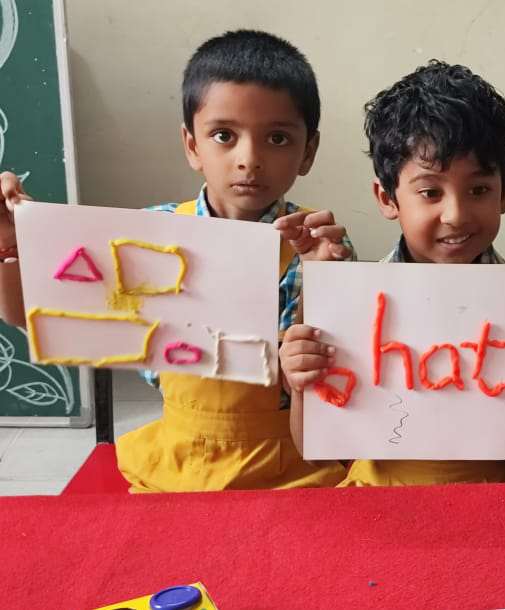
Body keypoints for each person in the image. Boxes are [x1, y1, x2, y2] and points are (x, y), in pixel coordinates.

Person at [1, 29, 353, 491]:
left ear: (308, 151)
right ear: (192, 145)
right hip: (176, 460)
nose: (249, 159)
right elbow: (27, 315)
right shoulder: (150, 235)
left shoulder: (321, 244)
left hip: (288, 466)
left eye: (277, 138)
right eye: (224, 135)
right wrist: (11, 244)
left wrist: (324, 275)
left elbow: (322, 384)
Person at [280, 61, 505, 485]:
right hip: (382, 501)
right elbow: (316, 451)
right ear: (387, 198)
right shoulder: (353, 308)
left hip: (501, 501)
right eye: (430, 192)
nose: (455, 214)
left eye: (478, 190)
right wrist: (302, 383)